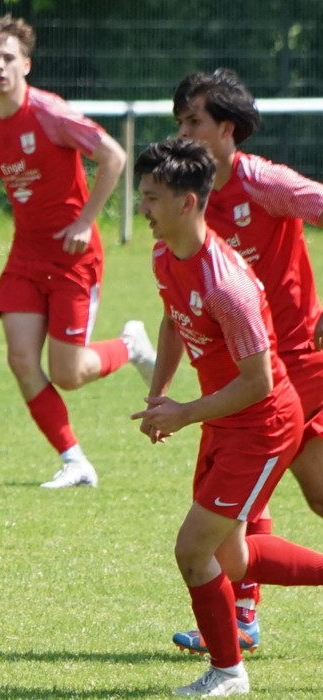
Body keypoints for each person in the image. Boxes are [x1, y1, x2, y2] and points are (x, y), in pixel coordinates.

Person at [132, 137, 323, 697]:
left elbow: (259, 382)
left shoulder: (226, 284)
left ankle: (228, 672)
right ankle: (228, 666)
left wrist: (186, 412)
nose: (143, 208)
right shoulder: (165, 255)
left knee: (193, 550)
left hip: (262, 425)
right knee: (231, 559)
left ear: (187, 202)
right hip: (226, 419)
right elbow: (173, 320)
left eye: (152, 197)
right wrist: (160, 396)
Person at [0, 14, 154, 489]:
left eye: (9, 58)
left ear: (26, 64)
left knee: (69, 373)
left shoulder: (50, 113)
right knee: (21, 359)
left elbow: (114, 156)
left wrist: (85, 221)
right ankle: (74, 461)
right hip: (25, 258)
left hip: (73, 256)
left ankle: (129, 346)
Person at [169, 68, 323, 655]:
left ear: (227, 129)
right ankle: (242, 614)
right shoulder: (193, 201)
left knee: (248, 492)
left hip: (297, 366)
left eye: (194, 122)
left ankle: (241, 617)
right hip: (251, 371)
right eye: (179, 122)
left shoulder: (263, 183)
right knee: (288, 494)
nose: (183, 133)